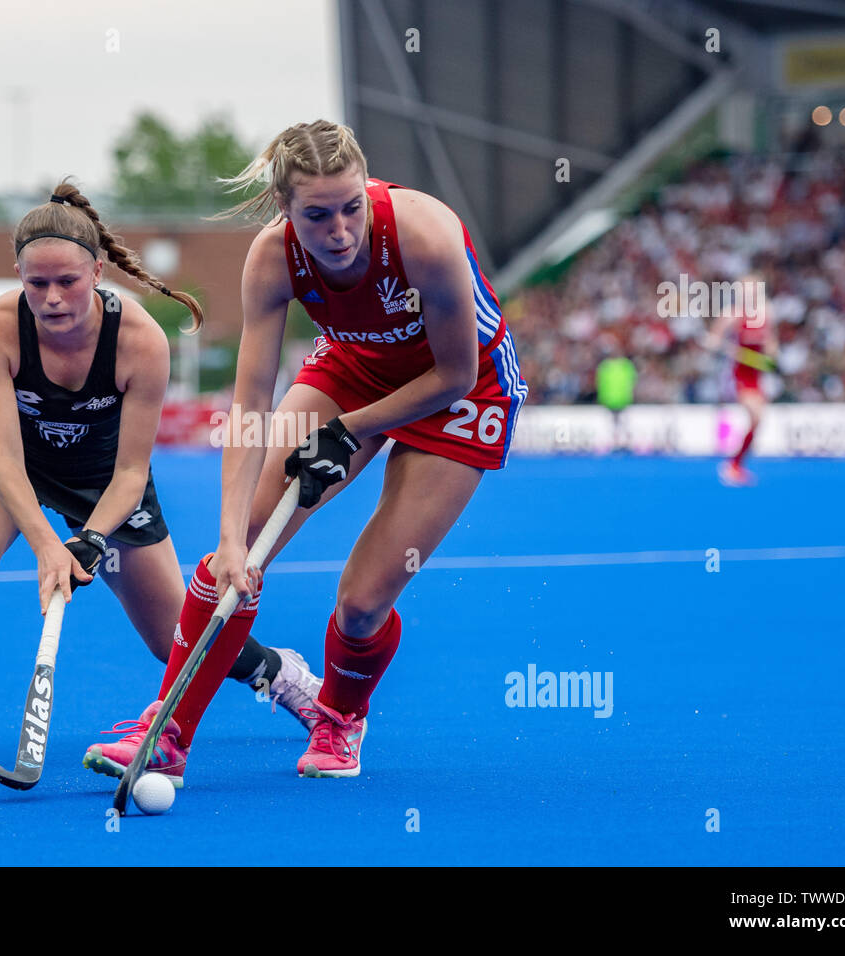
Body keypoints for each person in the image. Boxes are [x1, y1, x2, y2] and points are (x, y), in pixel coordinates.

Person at [0, 181, 322, 780]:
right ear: (18, 277)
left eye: (68, 282)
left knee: (170, 637)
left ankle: (281, 674)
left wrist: (91, 540)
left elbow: (131, 472)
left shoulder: (141, 342)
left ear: (98, 271)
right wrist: (49, 548)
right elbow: (3, 461)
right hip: (12, 458)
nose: (52, 299)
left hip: (103, 475)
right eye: (36, 284)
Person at [84, 120, 527, 786]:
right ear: (285, 210)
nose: (340, 232)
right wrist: (232, 538)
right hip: (356, 362)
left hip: (463, 390)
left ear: (368, 189)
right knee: (239, 549)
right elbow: (250, 407)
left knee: (362, 601)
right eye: (317, 216)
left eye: (351, 208)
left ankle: (342, 717)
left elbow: (454, 375)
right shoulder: (272, 258)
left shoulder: (425, 235)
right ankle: (168, 732)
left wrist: (350, 430)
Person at [705, 269, 777, 486]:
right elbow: (712, 339)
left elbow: (771, 343)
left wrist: (772, 356)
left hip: (757, 374)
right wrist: (723, 347)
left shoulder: (766, 313)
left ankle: (735, 465)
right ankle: (732, 465)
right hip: (739, 374)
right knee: (755, 414)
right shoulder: (734, 314)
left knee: (758, 420)